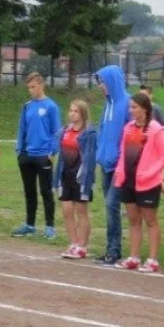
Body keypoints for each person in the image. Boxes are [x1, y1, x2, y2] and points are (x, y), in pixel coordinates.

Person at [112, 93, 164, 273]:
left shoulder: (155, 129)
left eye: (135, 107)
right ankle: (134, 257)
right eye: (130, 107)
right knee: (133, 220)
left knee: (151, 221)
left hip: (148, 183)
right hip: (129, 181)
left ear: (145, 108)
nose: (131, 110)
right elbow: (123, 152)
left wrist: (151, 172)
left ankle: (153, 260)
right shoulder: (128, 128)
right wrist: (119, 170)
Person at [12, 72, 61, 239]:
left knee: (46, 191)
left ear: (41, 85)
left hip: (43, 156)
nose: (31, 90)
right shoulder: (27, 106)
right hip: (26, 156)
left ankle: (49, 226)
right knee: (29, 191)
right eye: (29, 87)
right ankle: (30, 225)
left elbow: (57, 132)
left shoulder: (51, 107)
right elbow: (22, 129)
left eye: (33, 87)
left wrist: (52, 152)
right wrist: (20, 150)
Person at [92, 65, 131, 267]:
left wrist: (122, 161)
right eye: (98, 82)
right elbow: (102, 131)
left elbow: (131, 135)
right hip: (105, 163)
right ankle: (111, 248)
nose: (100, 86)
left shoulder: (127, 103)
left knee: (111, 205)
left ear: (113, 81)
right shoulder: (107, 105)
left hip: (119, 166)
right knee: (110, 208)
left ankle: (114, 251)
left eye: (103, 81)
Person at [53, 100, 97, 259]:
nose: (72, 114)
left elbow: (91, 157)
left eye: (76, 111)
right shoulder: (65, 131)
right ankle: (73, 243)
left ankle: (82, 246)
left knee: (81, 211)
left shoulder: (89, 133)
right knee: (66, 210)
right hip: (65, 176)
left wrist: (86, 176)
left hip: (81, 177)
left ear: (83, 114)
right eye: (71, 110)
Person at [139, 84, 164, 201]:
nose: (142, 98)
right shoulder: (137, 110)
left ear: (151, 95)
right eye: (140, 95)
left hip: (156, 152)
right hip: (142, 151)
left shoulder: (155, 109)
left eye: (145, 95)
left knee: (158, 180)